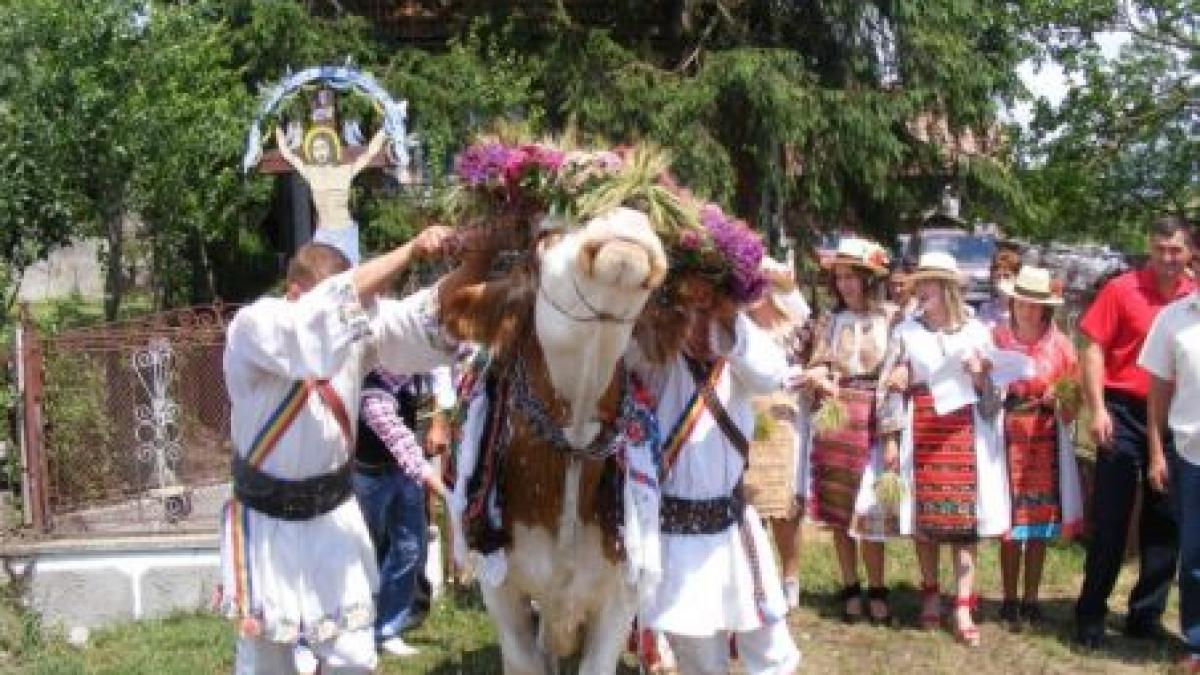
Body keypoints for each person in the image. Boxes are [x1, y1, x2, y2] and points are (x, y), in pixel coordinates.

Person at [218, 226, 488, 674]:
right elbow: (311, 328)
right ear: (294, 292)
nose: (352, 316)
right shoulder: (255, 326)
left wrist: (478, 257)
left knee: (353, 660)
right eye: (345, 302)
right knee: (267, 663)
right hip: (265, 526)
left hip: (331, 520)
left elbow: (425, 318)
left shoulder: (356, 327)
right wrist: (411, 249)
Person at [637, 278, 802, 674]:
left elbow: (771, 373)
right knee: (699, 657)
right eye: (688, 309)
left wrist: (730, 320)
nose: (698, 322)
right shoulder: (653, 356)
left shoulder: (738, 352)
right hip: (674, 535)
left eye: (707, 307)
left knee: (770, 648)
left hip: (732, 529)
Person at [1073, 216, 1194, 648]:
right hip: (1122, 412)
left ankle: (1145, 614)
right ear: (1149, 246)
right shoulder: (1121, 290)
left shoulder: (1194, 297)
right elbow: (1092, 347)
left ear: (1190, 251)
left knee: (1165, 522)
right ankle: (1090, 612)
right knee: (1111, 517)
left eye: (1176, 249)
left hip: (1175, 417)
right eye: (1160, 248)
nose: (1167, 258)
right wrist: (1098, 408)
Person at [877, 251, 1007, 647]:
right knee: (925, 518)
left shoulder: (976, 332)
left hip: (966, 433)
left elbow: (993, 402)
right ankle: (931, 591)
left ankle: (963, 604)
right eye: (921, 282)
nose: (923, 290)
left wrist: (982, 379)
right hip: (923, 429)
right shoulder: (906, 332)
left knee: (965, 525)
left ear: (950, 288)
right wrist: (890, 440)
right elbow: (887, 391)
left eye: (931, 283)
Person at [801, 237, 897, 625]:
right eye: (839, 277)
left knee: (870, 509)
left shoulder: (891, 319)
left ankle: (877, 587)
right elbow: (817, 362)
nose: (844, 285)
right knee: (839, 507)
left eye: (851, 277)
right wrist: (820, 376)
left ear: (869, 279)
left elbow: (896, 374)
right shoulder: (829, 320)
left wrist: (891, 434)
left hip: (874, 417)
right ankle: (850, 586)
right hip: (837, 418)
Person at [991, 266, 1084, 629]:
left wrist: (1058, 396)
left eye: (1036, 304)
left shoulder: (1061, 346)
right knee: (1009, 520)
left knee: (1039, 522)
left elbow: (1074, 403)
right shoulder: (996, 338)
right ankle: (1009, 598)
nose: (1028, 310)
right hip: (1005, 435)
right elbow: (980, 388)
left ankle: (1031, 598)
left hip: (1045, 437)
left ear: (1046, 307)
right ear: (1013, 302)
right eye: (1023, 303)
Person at [353, 367, 451, 658]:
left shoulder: (410, 370)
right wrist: (451, 497)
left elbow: (445, 365)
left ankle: (388, 629)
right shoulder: (372, 390)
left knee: (410, 548)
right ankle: (356, 628)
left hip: (403, 474)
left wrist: (440, 417)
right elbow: (404, 448)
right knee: (362, 554)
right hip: (368, 476)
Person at [1139, 259, 1200, 672]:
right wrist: (1157, 452)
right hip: (1192, 456)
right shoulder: (1174, 319)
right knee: (1194, 558)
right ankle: (1197, 644)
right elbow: (1158, 390)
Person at [744, 257, 812, 610]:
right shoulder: (739, 328)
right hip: (747, 417)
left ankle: (790, 574)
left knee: (786, 506)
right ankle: (756, 576)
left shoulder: (796, 326)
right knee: (749, 502)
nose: (755, 293)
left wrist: (814, 376)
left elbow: (819, 358)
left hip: (787, 416)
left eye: (761, 285)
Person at [274, 125, 389, 265]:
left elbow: (368, 154)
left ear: (331, 149)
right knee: (320, 275)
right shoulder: (311, 172)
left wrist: (384, 131)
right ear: (311, 152)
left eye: (323, 147)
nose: (320, 152)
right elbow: (288, 156)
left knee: (348, 274)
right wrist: (278, 131)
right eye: (316, 149)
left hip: (344, 232)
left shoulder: (345, 170)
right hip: (323, 234)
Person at [977, 248, 1023, 328]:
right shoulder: (985, 309)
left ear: (1017, 278)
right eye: (998, 276)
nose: (1001, 280)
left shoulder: (1024, 309)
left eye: (1006, 276)